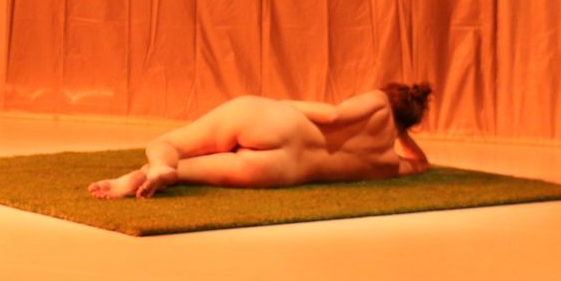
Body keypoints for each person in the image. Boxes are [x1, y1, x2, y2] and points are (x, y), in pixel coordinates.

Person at [88, 83, 433, 199]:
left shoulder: (378, 101)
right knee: (185, 173)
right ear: (409, 125)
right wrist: (400, 133)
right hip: (279, 170)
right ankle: (142, 178)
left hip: (276, 123)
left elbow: (332, 115)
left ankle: (158, 165)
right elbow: (421, 163)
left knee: (170, 144)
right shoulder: (387, 164)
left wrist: (280, 104)